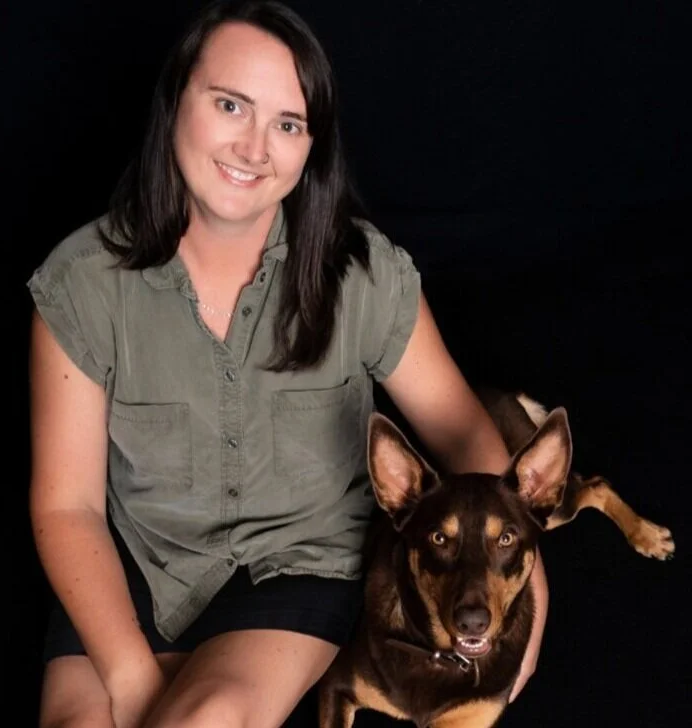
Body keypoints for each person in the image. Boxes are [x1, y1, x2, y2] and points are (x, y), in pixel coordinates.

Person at [27, 1, 549, 726]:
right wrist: (131, 682)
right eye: (230, 104)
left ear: (312, 148)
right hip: (136, 564)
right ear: (177, 98)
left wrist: (527, 577)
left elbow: (460, 425)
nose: (253, 147)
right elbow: (66, 506)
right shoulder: (82, 282)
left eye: (288, 123)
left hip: (297, 565)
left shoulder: (363, 274)